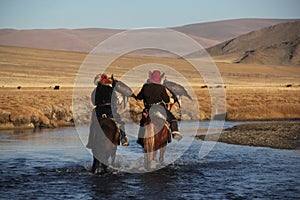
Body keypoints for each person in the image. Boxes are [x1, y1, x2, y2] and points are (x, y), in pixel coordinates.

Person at [134, 70, 182, 147]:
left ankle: (140, 139)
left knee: (143, 123)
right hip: (160, 108)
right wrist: (173, 100)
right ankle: (175, 133)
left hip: (148, 109)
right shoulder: (161, 87)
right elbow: (166, 100)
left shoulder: (145, 86)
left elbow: (139, 97)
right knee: (173, 119)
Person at [88, 73, 129, 147]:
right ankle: (123, 138)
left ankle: (90, 141)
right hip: (110, 110)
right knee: (120, 122)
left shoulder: (94, 91)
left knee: (93, 125)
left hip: (98, 111)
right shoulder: (111, 89)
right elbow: (115, 101)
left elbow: (93, 102)